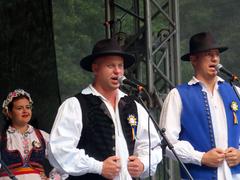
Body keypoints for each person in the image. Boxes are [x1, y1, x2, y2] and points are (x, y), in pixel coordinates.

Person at [47, 38, 162, 179]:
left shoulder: (134, 106)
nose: (117, 71)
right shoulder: (76, 105)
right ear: (95, 69)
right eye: (110, 66)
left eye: (120, 66)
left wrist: (142, 163)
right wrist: (98, 167)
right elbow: (58, 151)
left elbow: (153, 146)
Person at [159, 32, 240, 179]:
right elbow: (166, 142)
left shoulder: (235, 91)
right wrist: (200, 157)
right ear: (194, 59)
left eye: (217, 54)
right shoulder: (178, 95)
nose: (215, 58)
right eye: (208, 54)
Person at [0, 89, 67, 180]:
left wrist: (53, 178)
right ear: (9, 113)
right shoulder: (3, 138)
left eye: (27, 107)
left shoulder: (42, 136)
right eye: (19, 108)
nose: (25, 111)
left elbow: (63, 160)